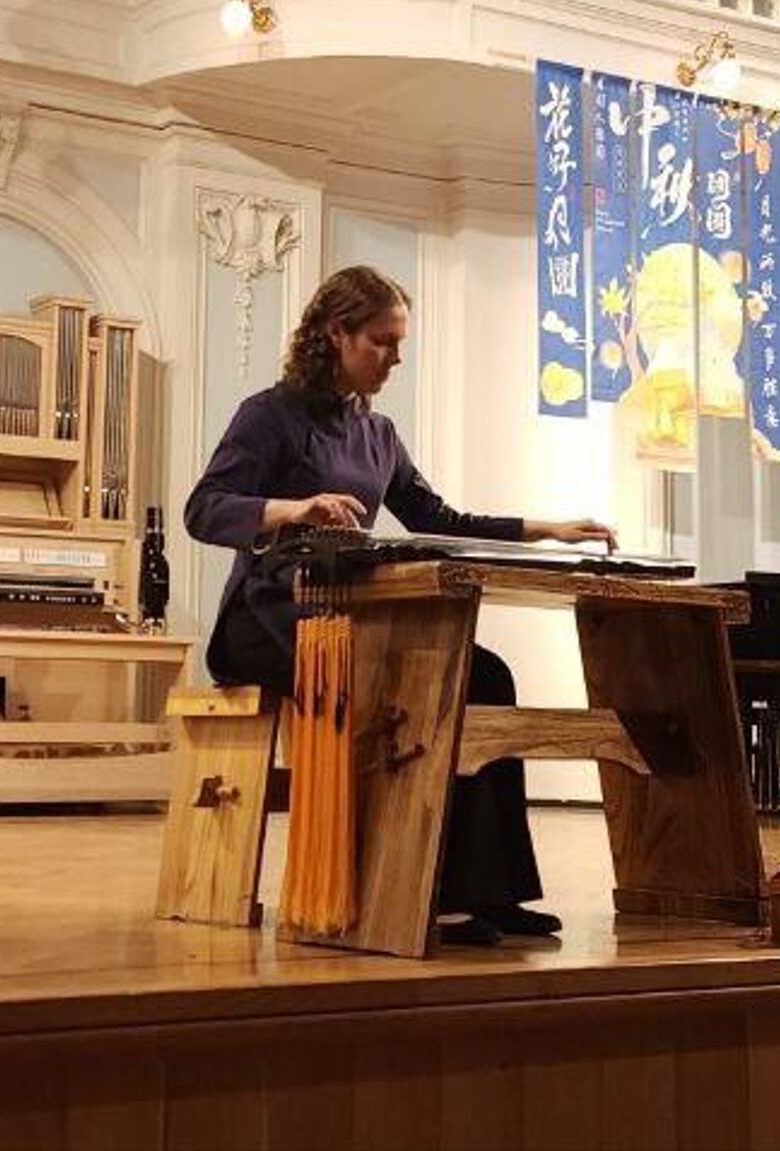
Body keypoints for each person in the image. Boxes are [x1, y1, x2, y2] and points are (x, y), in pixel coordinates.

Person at [184, 265, 616, 946]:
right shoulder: (270, 414)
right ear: (337, 334)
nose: (394, 358)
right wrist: (294, 508)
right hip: (267, 620)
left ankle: (492, 891)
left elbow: (436, 518)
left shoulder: (377, 432)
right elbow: (203, 510)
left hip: (345, 616)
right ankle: (421, 892)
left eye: (399, 344)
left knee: (485, 675)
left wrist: (547, 528)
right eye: (381, 342)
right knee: (408, 682)